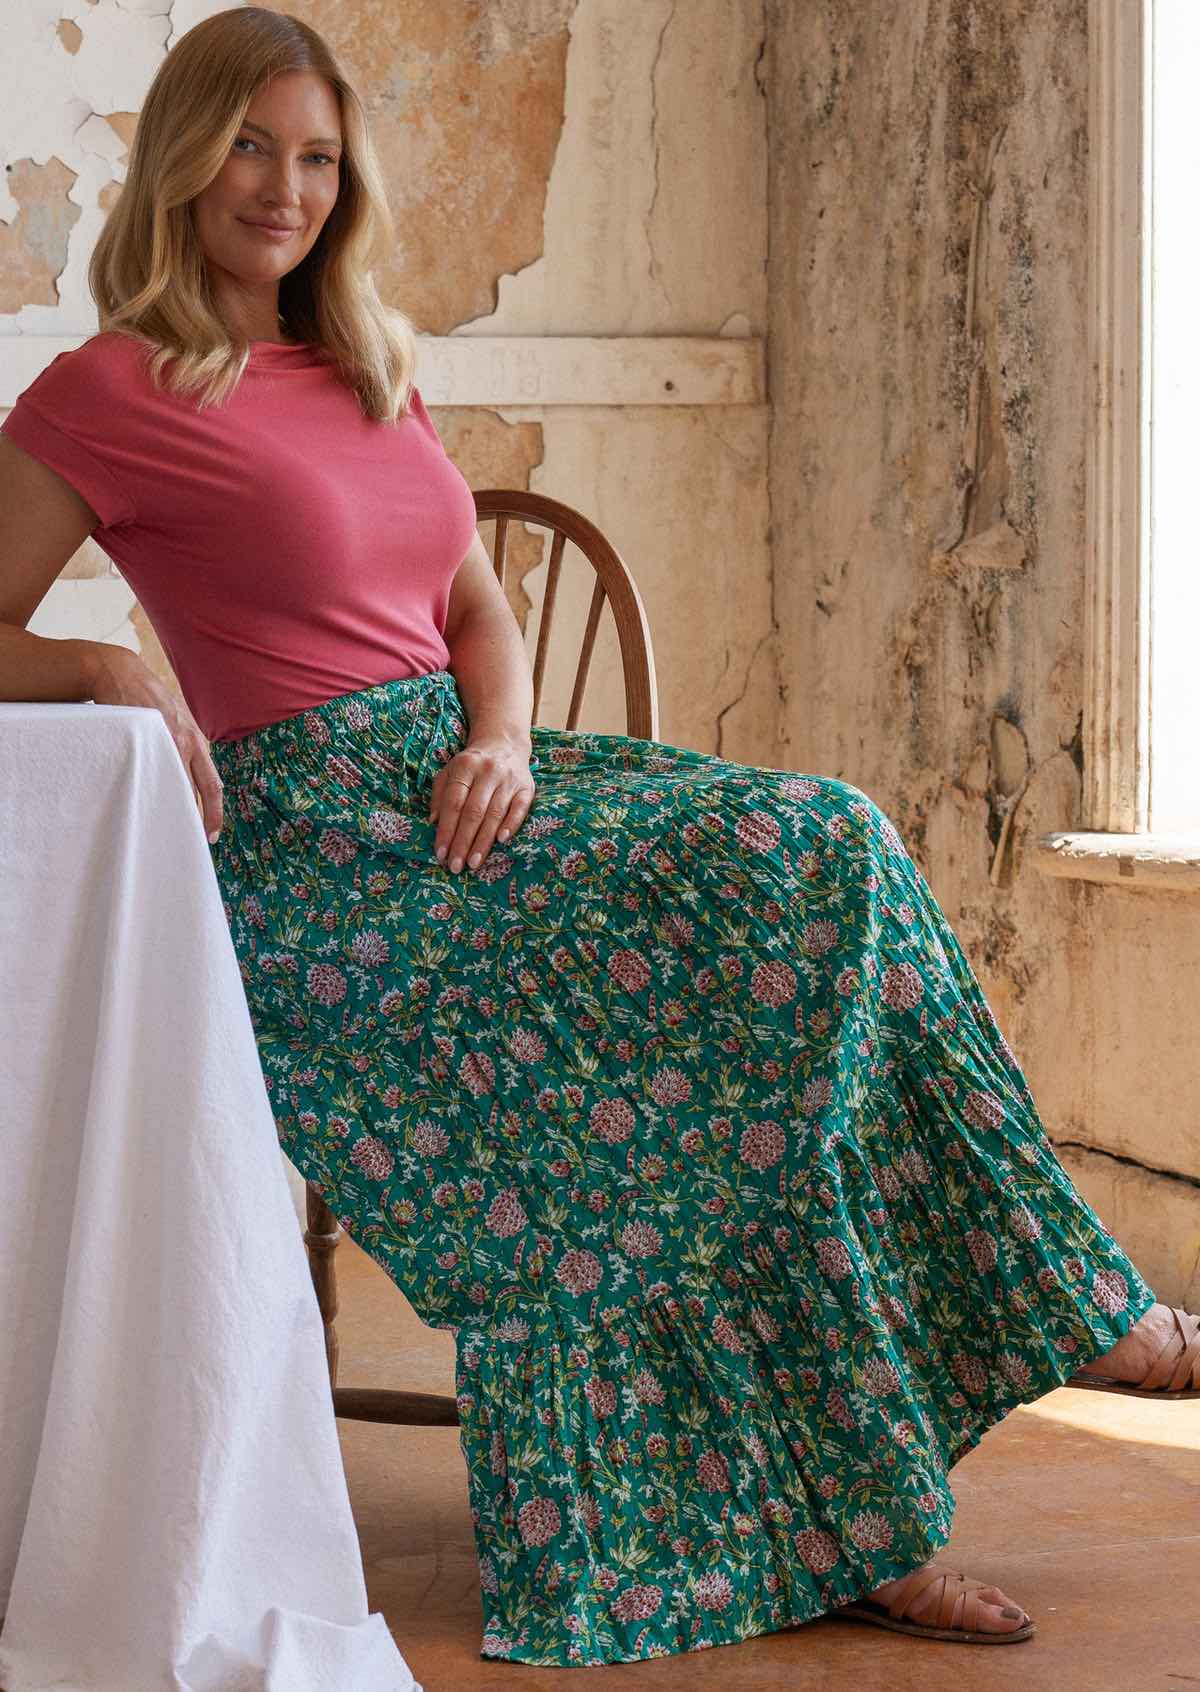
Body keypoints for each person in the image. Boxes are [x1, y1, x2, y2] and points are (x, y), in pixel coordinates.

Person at [1, 5, 1196, 1671]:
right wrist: (105, 664)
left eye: (319, 156)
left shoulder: (369, 359)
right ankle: (1042, 1349)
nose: (285, 186)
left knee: (819, 852)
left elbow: (476, 600)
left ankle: (916, 1449)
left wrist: (500, 735)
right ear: (184, 159)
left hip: (478, 788)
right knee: (736, 960)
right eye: (252, 146)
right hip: (331, 874)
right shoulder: (105, 392)